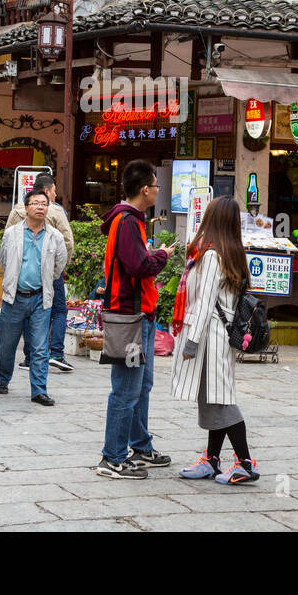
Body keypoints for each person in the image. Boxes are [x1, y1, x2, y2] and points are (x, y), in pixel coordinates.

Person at [171, 196, 259, 485]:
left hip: (210, 337)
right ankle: (211, 459)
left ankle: (245, 463)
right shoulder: (232, 253)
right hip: (220, 337)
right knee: (214, 399)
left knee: (222, 401)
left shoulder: (211, 256)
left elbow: (205, 302)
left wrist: (192, 342)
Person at [96, 160, 171, 479]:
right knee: (127, 388)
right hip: (129, 318)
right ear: (145, 189)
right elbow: (138, 265)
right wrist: (162, 256)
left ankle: (140, 445)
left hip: (141, 315)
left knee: (142, 385)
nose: (157, 190)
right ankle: (112, 457)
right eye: (156, 185)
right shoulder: (126, 222)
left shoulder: (131, 220)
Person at [0, 188, 67, 406]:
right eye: (35, 203)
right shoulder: (12, 233)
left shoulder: (55, 236)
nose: (40, 207)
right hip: (14, 297)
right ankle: (2, 379)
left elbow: (59, 265)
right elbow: (4, 260)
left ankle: (39, 390)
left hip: (39, 299)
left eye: (44, 204)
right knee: (6, 345)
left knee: (39, 347)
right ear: (26, 208)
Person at [7, 172, 75, 373]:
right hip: (50, 271)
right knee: (59, 310)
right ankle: (56, 353)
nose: (55, 196)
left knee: (30, 313)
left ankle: (30, 358)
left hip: (24, 273)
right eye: (54, 191)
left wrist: (13, 268)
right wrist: (61, 268)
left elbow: (7, 241)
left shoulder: (17, 211)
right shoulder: (56, 211)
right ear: (46, 191)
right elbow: (68, 242)